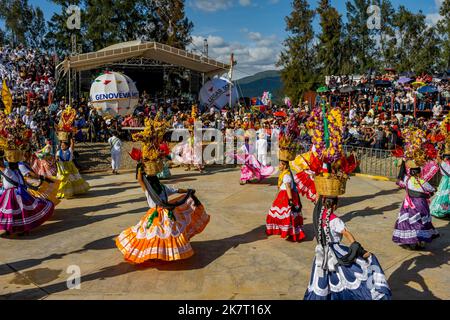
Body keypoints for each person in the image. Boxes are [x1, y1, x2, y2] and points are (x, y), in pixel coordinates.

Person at [116, 163, 210, 263]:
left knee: (153, 235)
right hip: (166, 214)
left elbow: (140, 180)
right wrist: (188, 190)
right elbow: (177, 190)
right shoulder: (162, 188)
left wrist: (139, 169)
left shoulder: (149, 189)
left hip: (155, 214)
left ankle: (155, 254)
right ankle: (161, 253)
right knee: (167, 233)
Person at [304, 197, 391, 300]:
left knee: (324, 279)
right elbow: (346, 233)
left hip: (321, 253)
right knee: (359, 266)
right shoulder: (336, 220)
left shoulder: (318, 217)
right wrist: (358, 248)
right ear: (335, 206)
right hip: (335, 253)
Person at [0, 150, 54, 236]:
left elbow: (1, 165)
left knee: (11, 214)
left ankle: (12, 230)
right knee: (21, 213)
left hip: (12, 195)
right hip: (20, 193)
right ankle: (18, 230)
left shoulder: (9, 171)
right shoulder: (17, 171)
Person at [393, 161, 439, 249]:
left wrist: (403, 163)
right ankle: (419, 242)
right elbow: (432, 189)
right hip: (420, 204)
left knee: (407, 221)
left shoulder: (407, 180)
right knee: (420, 222)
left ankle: (406, 240)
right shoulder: (422, 182)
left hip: (408, 203)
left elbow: (400, 179)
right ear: (419, 173)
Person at [266, 159, 305, 242]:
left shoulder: (286, 175)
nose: (279, 166)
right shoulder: (285, 173)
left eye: (280, 165)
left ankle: (287, 231)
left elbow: (288, 188)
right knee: (280, 213)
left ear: (285, 166)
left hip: (285, 196)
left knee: (284, 214)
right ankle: (283, 230)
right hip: (283, 195)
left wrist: (290, 200)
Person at [430, 149, 450, 219]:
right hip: (447, 181)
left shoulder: (443, 163)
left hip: (445, 181)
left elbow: (438, 158)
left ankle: (442, 209)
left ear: (445, 158)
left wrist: (439, 150)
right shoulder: (446, 164)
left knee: (443, 195)